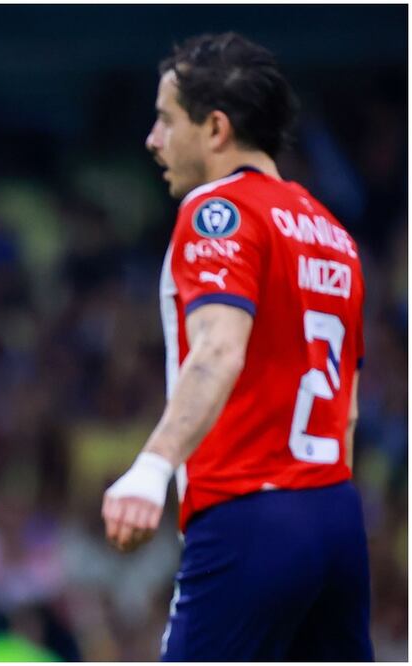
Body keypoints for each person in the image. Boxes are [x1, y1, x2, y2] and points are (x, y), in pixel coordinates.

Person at [102, 33, 372, 660]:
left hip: (249, 515)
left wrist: (153, 467)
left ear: (216, 128)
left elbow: (219, 351)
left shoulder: (217, 211)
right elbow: (348, 410)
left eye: (166, 120)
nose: (153, 139)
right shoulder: (332, 234)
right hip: (337, 517)